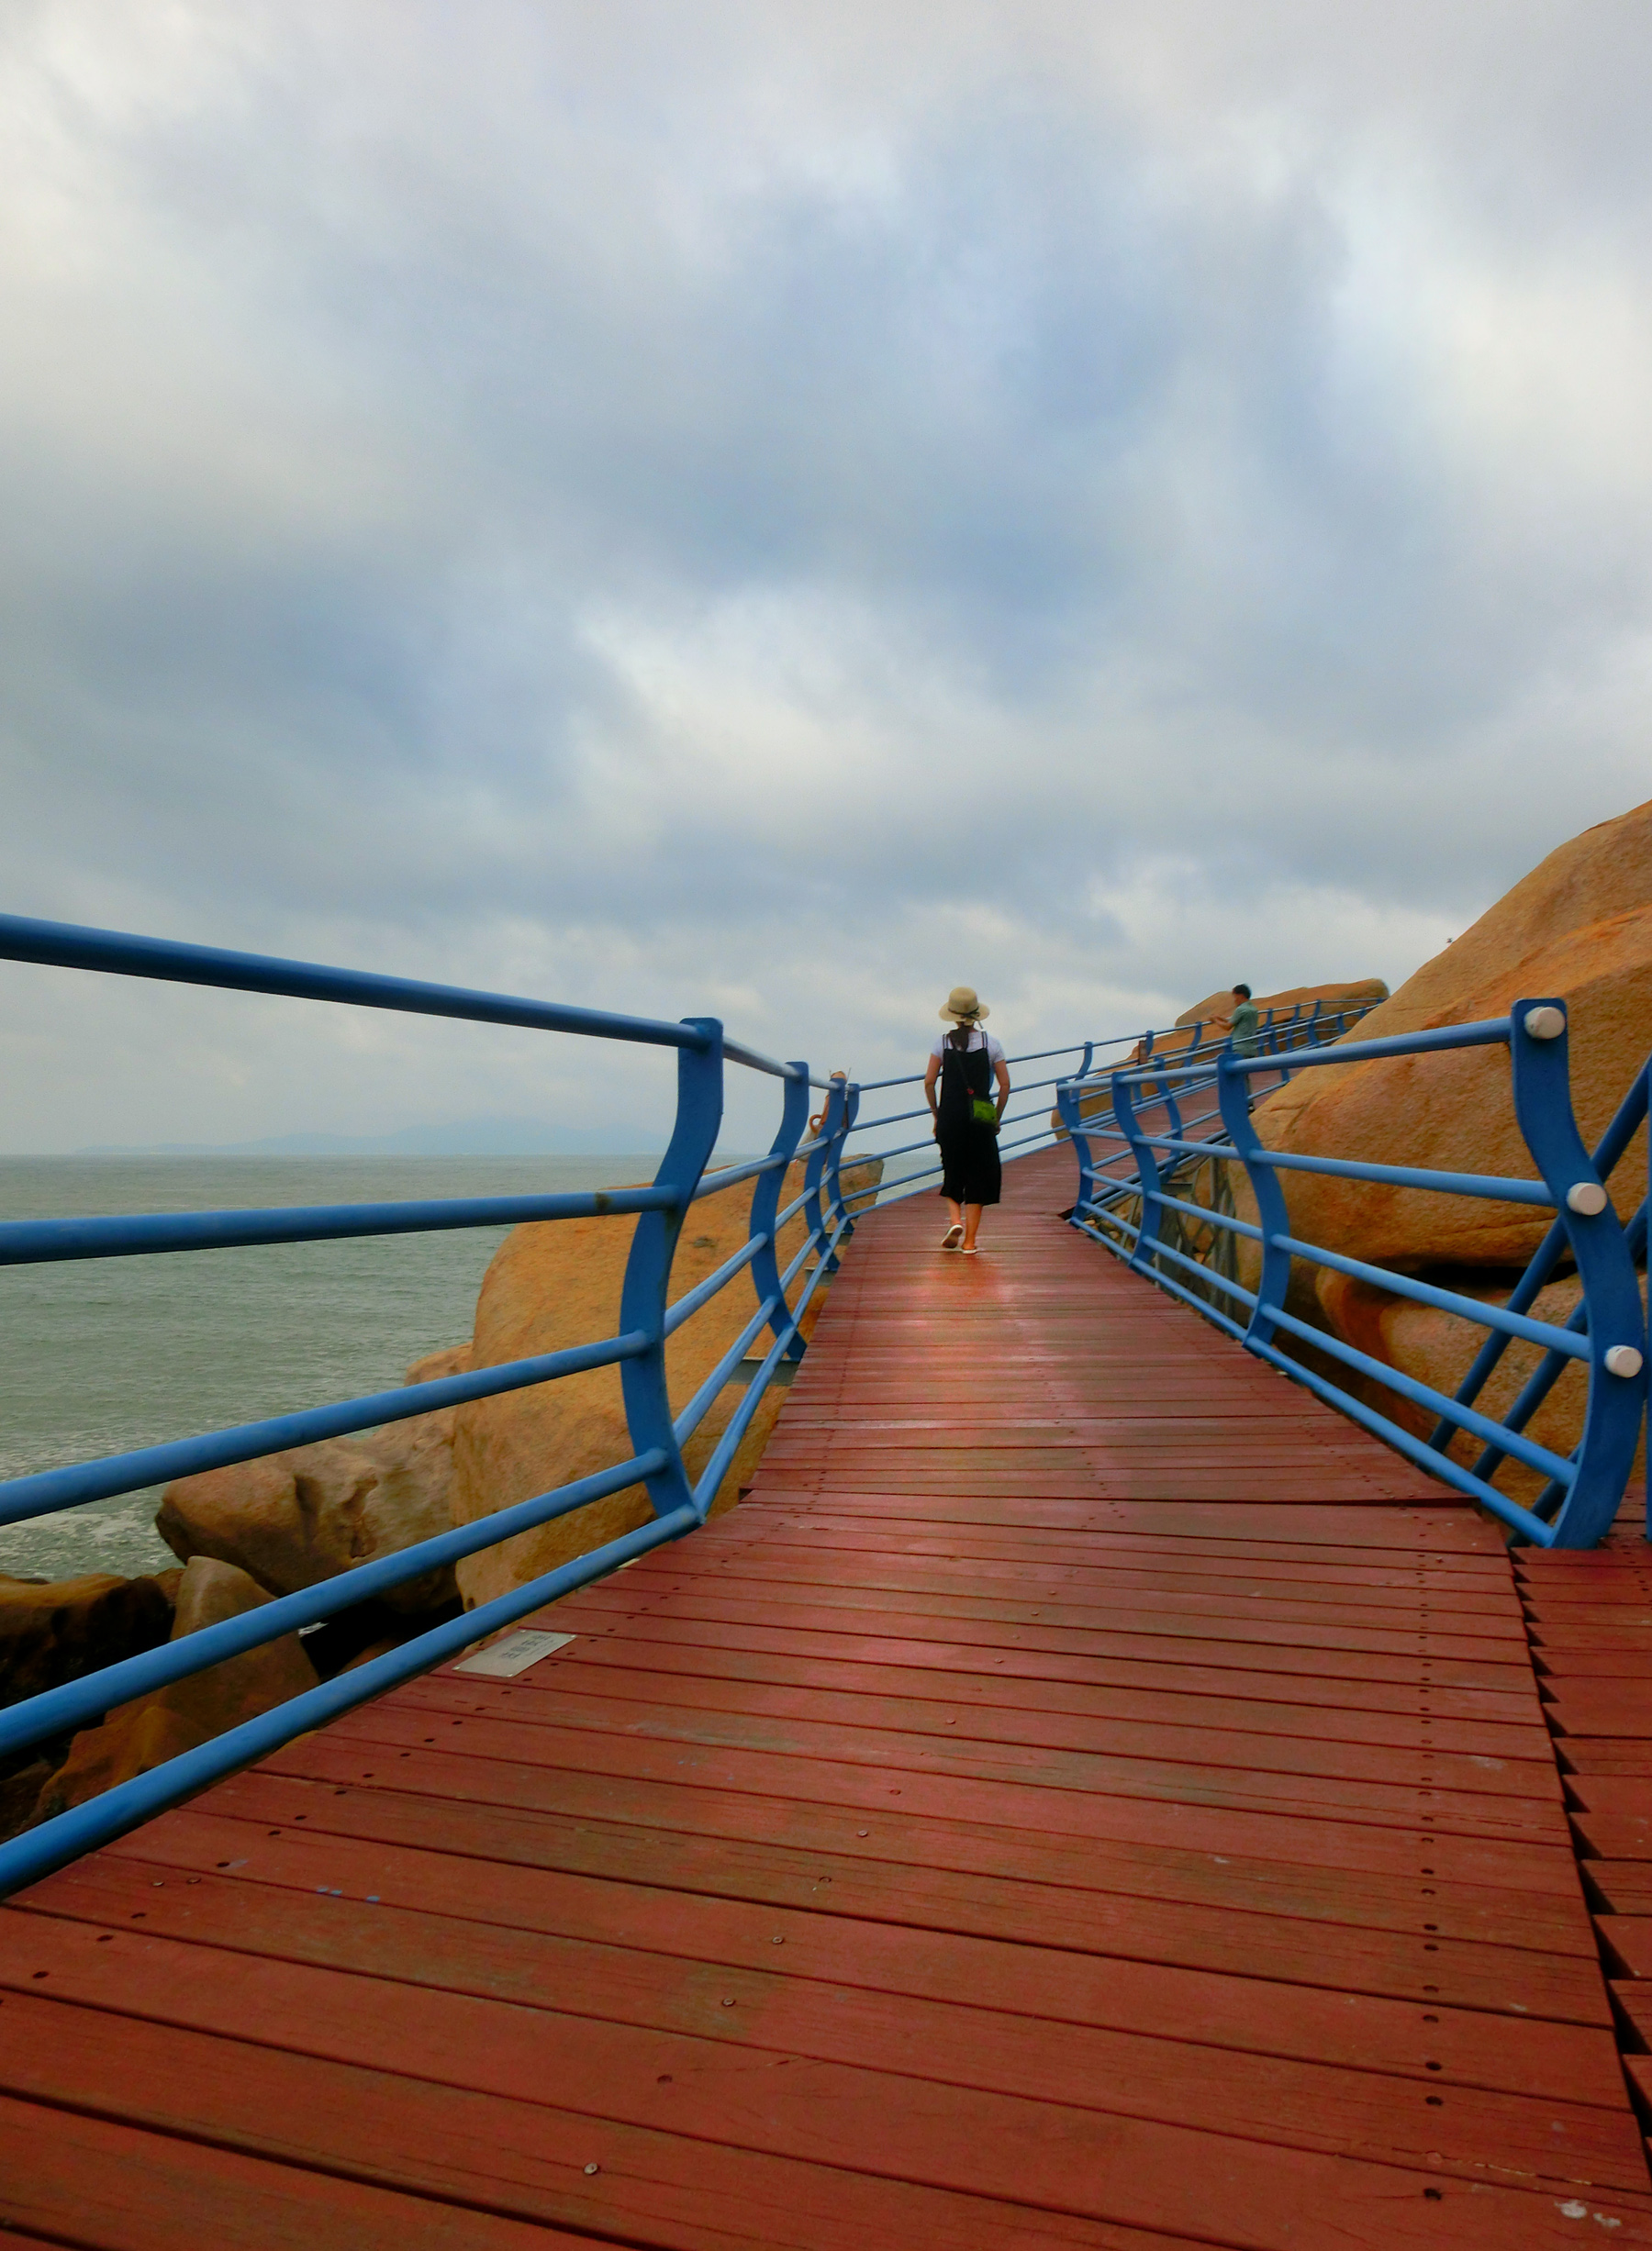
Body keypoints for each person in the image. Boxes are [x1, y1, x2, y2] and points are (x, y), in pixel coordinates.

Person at [925, 986, 1010, 1254]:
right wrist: (996, 1116)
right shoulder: (991, 1044)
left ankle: (954, 1220)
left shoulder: (942, 1043)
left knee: (952, 1168)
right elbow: (1006, 1085)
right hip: (980, 1118)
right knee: (979, 1174)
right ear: (976, 1015)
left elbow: (928, 1082)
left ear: (952, 1015)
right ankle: (970, 1243)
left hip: (950, 1116)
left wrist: (937, 1114)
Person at [1222, 984, 1261, 1058]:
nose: (1234, 1000)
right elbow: (1235, 1020)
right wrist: (1219, 1019)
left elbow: (1227, 1027)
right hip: (1252, 1048)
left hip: (1240, 1048)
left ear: (1240, 996)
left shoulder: (1240, 1009)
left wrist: (1215, 1020)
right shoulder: (1253, 1009)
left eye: (1235, 997)